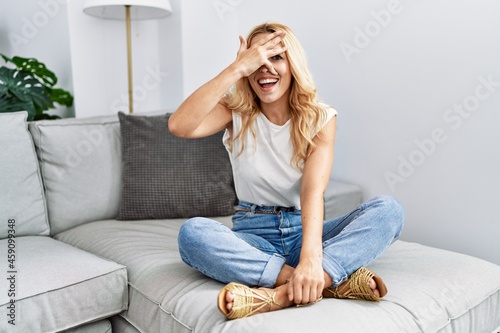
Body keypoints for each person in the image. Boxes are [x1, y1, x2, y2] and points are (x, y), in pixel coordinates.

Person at [168, 22, 404, 320]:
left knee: (389, 211)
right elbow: (179, 126)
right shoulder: (235, 111)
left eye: (276, 57)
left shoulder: (320, 117)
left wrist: (310, 257)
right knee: (192, 235)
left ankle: (280, 294)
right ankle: (325, 283)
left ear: (293, 64)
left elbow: (312, 191)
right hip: (253, 236)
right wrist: (236, 69)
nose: (264, 68)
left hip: (302, 230)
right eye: (256, 59)